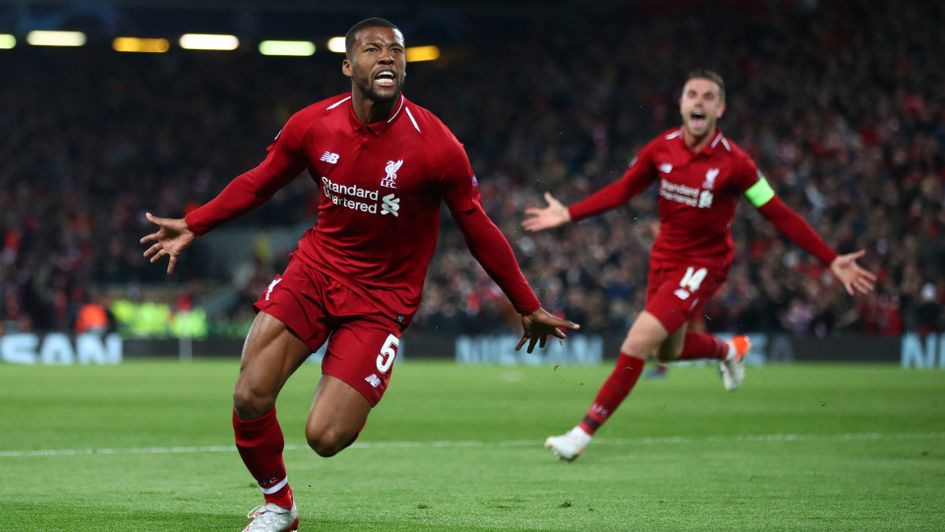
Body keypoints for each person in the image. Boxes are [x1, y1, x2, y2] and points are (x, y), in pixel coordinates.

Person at [140, 17, 579, 531]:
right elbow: (259, 184)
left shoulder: (437, 146)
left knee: (325, 438)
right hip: (316, 271)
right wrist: (195, 223)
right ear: (349, 65)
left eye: (397, 50)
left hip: (381, 299)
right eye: (373, 49)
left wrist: (526, 303)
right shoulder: (313, 123)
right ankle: (279, 506)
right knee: (248, 394)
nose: (388, 57)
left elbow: (478, 229)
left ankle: (352, 382)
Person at [523, 69, 876, 462]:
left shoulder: (737, 164)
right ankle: (729, 351)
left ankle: (581, 434)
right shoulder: (661, 149)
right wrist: (569, 213)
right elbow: (623, 190)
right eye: (693, 94)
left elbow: (778, 213)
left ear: (720, 109)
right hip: (664, 259)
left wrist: (830, 259)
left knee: (637, 341)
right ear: (681, 103)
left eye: (709, 97)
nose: (699, 102)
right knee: (667, 354)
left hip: (703, 263)